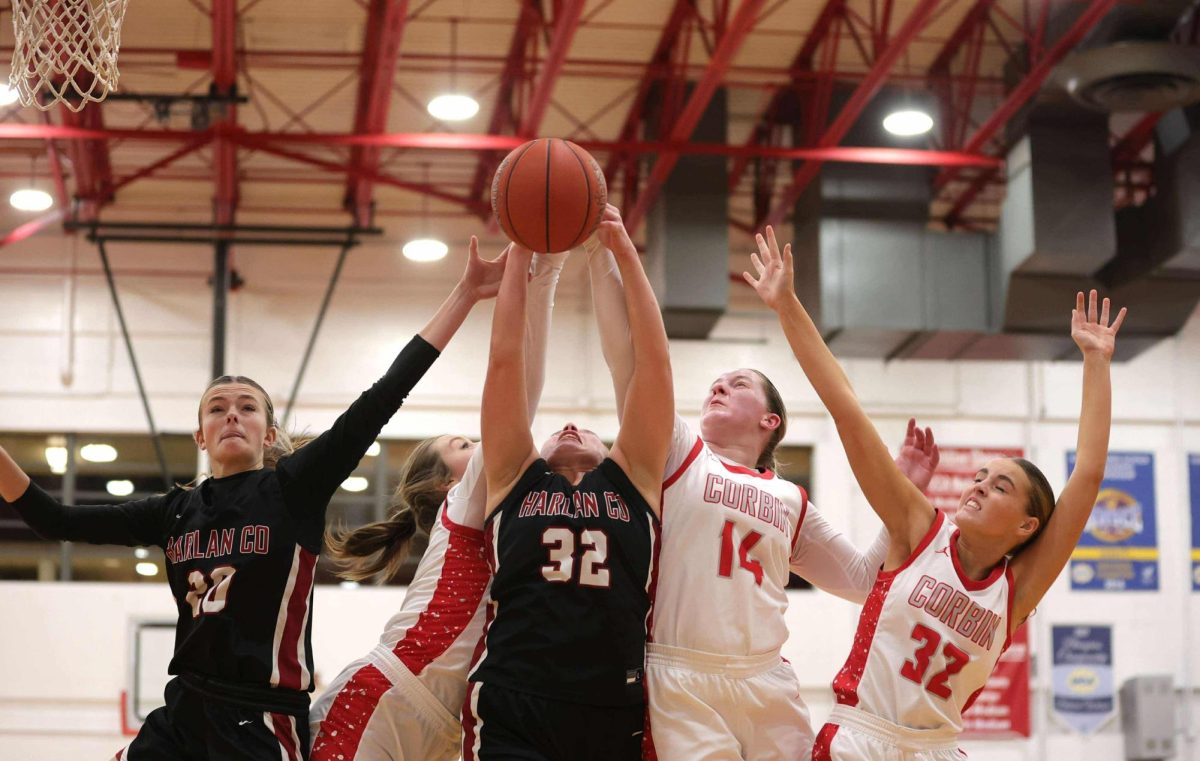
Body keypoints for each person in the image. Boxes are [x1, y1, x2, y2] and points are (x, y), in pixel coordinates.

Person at [0, 239, 508, 761]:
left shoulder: (292, 489)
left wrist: (465, 294)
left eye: (247, 407)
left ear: (269, 434)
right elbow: (51, 517)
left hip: (259, 717)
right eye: (217, 408)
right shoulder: (173, 512)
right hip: (184, 709)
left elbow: (385, 393)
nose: (232, 415)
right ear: (200, 436)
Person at [740, 227, 1125, 761]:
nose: (979, 486)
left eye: (1000, 486)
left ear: (1027, 526)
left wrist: (1096, 363)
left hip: (937, 750)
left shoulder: (1018, 590)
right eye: (979, 477)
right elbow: (847, 409)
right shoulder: (919, 529)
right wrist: (786, 306)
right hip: (861, 739)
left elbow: (1089, 474)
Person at [580, 235, 941, 761]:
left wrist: (901, 497)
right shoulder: (680, 452)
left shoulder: (790, 500)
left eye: (738, 383)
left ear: (770, 421)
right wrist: (600, 254)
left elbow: (864, 581)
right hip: (683, 674)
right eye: (716, 383)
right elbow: (627, 360)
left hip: (766, 678)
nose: (718, 387)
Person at [308, 242, 567, 761]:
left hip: (448, 728)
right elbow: (518, 389)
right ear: (446, 486)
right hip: (387, 698)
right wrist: (543, 274)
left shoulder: (519, 518)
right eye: (464, 446)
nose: (480, 445)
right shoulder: (466, 503)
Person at [461, 206, 673, 761]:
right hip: (514, 699)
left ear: (611, 450)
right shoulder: (513, 480)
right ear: (540, 447)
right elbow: (505, 361)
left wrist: (623, 249)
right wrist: (521, 254)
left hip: (612, 706)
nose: (573, 426)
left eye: (589, 428)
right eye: (558, 428)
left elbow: (654, 364)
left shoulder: (636, 481)